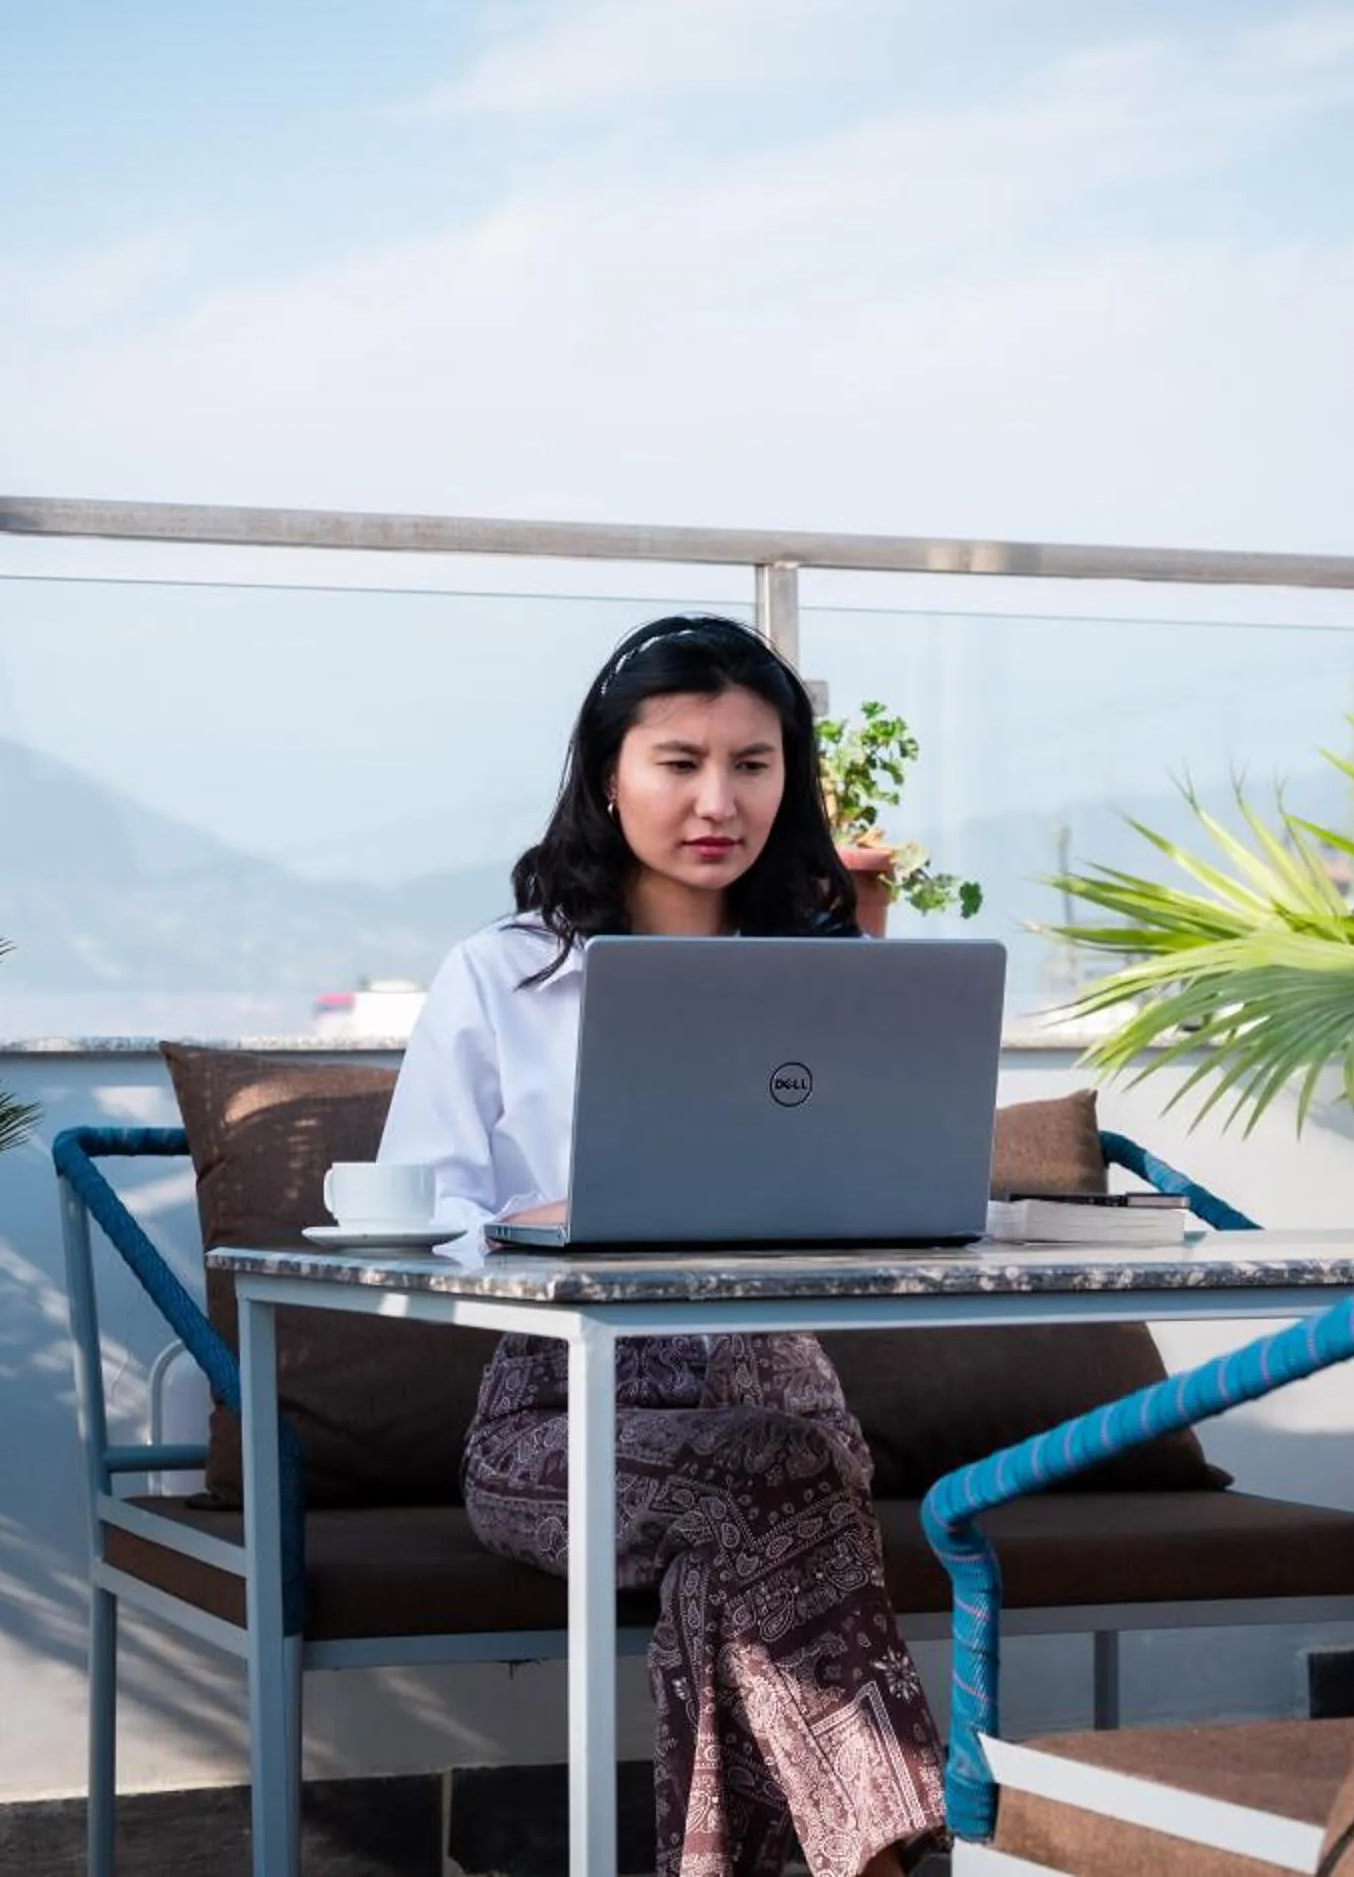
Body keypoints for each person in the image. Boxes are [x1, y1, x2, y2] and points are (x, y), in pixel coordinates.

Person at [378, 614, 945, 1877]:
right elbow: (425, 1215)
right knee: (765, 1489)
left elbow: (874, 1187)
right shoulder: (503, 974)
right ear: (606, 775)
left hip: (781, 1397)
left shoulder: (824, 973)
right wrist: (543, 1230)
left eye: (753, 764)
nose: (717, 799)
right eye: (679, 761)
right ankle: (895, 1852)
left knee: (736, 1554)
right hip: (559, 1429)